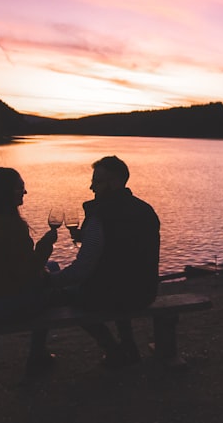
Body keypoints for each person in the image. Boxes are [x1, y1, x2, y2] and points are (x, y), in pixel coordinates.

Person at [47, 155, 161, 368]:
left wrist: (49, 280)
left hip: (112, 296)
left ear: (116, 182)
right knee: (119, 280)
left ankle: (112, 348)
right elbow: (126, 248)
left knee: (64, 297)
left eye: (97, 181)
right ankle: (129, 345)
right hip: (144, 292)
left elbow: (82, 269)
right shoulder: (146, 210)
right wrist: (88, 237)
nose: (91, 187)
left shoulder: (101, 215)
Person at [0, 167, 58, 377]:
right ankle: (37, 354)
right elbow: (27, 272)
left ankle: (39, 353)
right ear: (6, 192)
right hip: (0, 306)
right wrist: (44, 247)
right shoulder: (10, 225)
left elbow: (13, 267)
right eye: (20, 188)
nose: (24, 192)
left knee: (52, 268)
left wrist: (41, 269)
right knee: (52, 290)